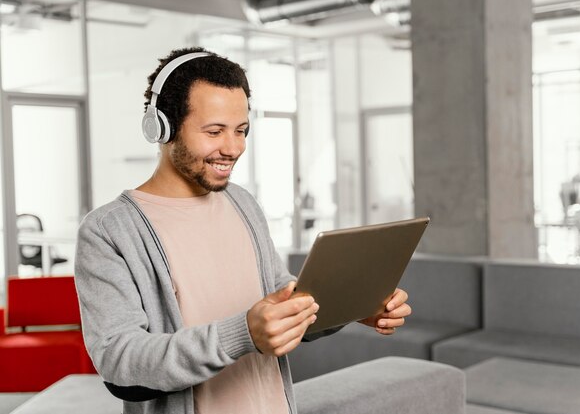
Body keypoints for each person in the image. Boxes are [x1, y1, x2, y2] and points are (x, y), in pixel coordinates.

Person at [74, 47, 412, 414]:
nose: (233, 148)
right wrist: (243, 334)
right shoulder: (109, 231)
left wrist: (352, 304)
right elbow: (119, 359)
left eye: (241, 131)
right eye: (215, 131)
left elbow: (279, 300)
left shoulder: (243, 203)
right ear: (163, 127)